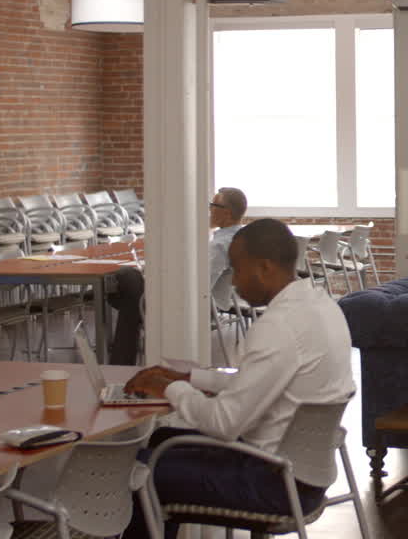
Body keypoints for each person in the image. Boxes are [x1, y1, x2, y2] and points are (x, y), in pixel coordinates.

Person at [122, 218, 354, 539]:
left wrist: (169, 388)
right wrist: (190, 378)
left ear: (264, 267)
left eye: (237, 270)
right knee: (161, 441)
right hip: (304, 474)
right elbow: (258, 382)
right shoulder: (321, 306)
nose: (233, 283)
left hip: (274, 484)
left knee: (141, 471)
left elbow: (224, 423)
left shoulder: (278, 326)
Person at [105, 187, 247, 365]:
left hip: (194, 306)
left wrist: (166, 279)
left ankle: (120, 360)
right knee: (130, 296)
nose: (209, 209)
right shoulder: (237, 237)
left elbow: (199, 285)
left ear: (226, 213)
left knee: (127, 280)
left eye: (213, 205)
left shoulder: (219, 245)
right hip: (208, 303)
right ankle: (121, 361)